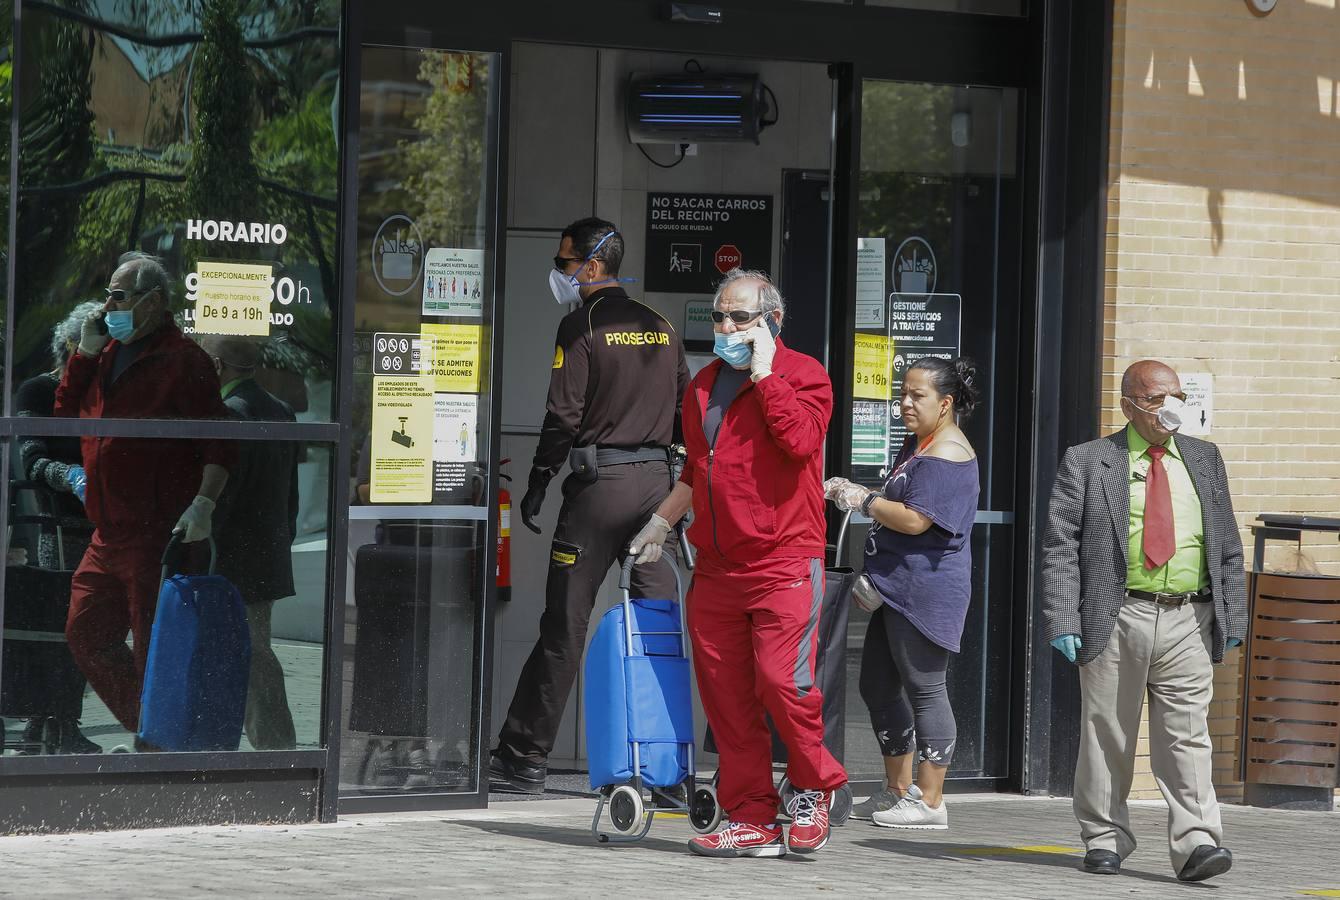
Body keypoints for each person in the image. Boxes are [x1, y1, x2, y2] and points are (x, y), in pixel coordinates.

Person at [630, 269, 847, 858]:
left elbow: (801, 442)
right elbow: (700, 473)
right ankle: (752, 815)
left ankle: (812, 786)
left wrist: (766, 374)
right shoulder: (701, 386)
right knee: (726, 697)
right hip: (719, 569)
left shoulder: (805, 375)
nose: (726, 327)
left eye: (740, 318)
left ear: (771, 320)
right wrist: (661, 521)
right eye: (719, 317)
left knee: (783, 683)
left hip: (784, 560)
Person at [490, 217, 689, 794]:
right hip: (657, 491)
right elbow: (684, 414)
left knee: (565, 626)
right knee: (657, 628)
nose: (560, 273)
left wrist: (538, 480)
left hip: (598, 492)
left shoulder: (580, 326)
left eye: (564, 262)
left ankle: (524, 757)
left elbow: (563, 416)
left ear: (592, 267)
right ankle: (664, 769)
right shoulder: (660, 326)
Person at [1041, 359, 1246, 882]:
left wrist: (1233, 613)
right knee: (1108, 731)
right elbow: (1062, 545)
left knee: (1187, 734)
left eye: (1175, 396)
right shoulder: (1089, 460)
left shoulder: (1204, 457)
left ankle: (1198, 843)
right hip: (1116, 613)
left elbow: (1225, 543)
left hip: (1189, 615)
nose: (1168, 408)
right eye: (1156, 399)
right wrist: (1064, 615)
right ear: (1128, 404)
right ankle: (1105, 837)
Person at [55, 254, 234, 745]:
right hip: (107, 533)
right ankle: (149, 728)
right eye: (108, 295)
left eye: (119, 296)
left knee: (153, 645)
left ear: (153, 302)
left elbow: (219, 442)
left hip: (155, 533)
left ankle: (157, 745)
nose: (107, 305)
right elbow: (64, 413)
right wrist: (85, 356)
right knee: (85, 632)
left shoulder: (184, 360)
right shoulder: (108, 352)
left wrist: (204, 503)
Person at [823, 358, 980, 829]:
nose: (905, 404)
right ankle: (897, 789)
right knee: (876, 684)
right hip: (896, 588)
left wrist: (861, 498)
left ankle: (930, 801)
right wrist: (860, 493)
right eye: (903, 393)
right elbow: (903, 501)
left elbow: (916, 519)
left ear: (946, 403)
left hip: (928, 592)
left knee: (927, 689)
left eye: (918, 396)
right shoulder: (919, 444)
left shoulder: (947, 453)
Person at [10, 300, 105, 754]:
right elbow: (30, 458)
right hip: (58, 524)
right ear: (69, 347)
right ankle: (55, 718)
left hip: (105, 523)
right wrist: (68, 476)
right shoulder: (37, 391)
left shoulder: (103, 396)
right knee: (61, 622)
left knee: (93, 627)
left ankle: (57, 716)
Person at [199, 334, 299, 751]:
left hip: (234, 556)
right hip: (267, 551)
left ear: (218, 366)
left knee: (250, 655)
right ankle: (267, 745)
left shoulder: (231, 412)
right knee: (251, 650)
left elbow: (225, 493)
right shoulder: (281, 411)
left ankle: (274, 748)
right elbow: (290, 493)